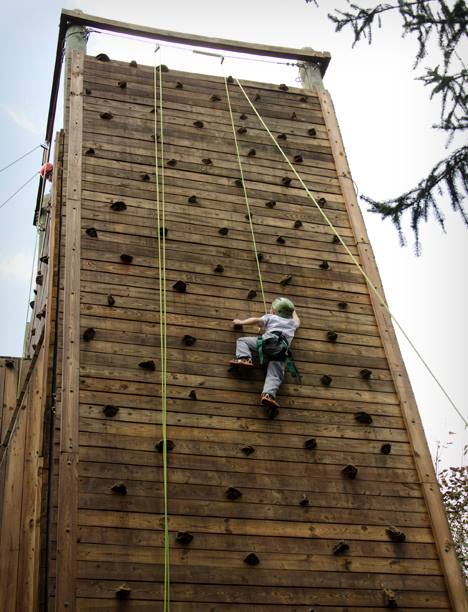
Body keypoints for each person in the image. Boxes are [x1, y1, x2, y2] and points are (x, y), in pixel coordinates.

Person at [230, 297, 300, 418]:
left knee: (242, 341)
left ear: (273, 311)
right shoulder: (293, 324)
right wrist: (293, 310)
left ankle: (244, 358)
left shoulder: (270, 317)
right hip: (281, 351)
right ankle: (268, 395)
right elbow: (298, 320)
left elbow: (255, 320)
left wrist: (240, 322)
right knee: (275, 374)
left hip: (267, 344)